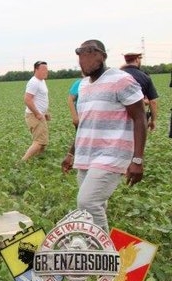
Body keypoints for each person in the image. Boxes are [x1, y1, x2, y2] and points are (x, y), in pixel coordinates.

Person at [61, 40, 147, 231]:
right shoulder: (83, 85)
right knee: (94, 206)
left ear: (102, 55)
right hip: (86, 153)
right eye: (81, 55)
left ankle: (104, 253)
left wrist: (138, 160)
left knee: (87, 203)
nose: (84, 60)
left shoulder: (121, 80)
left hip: (112, 153)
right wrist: (71, 153)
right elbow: (84, 123)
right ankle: (94, 249)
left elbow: (140, 118)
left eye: (90, 53)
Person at [120, 53, 159, 131]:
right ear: (137, 59)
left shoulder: (117, 75)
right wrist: (153, 120)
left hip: (117, 118)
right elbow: (153, 102)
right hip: (137, 119)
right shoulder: (145, 76)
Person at [22, 61, 50, 161]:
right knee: (39, 141)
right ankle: (23, 161)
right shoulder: (34, 82)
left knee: (43, 141)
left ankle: (39, 159)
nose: (46, 71)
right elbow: (27, 99)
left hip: (40, 114)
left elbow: (40, 99)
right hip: (34, 115)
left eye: (46, 69)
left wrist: (45, 112)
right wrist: (37, 113)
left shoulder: (41, 81)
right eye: (43, 69)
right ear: (36, 70)